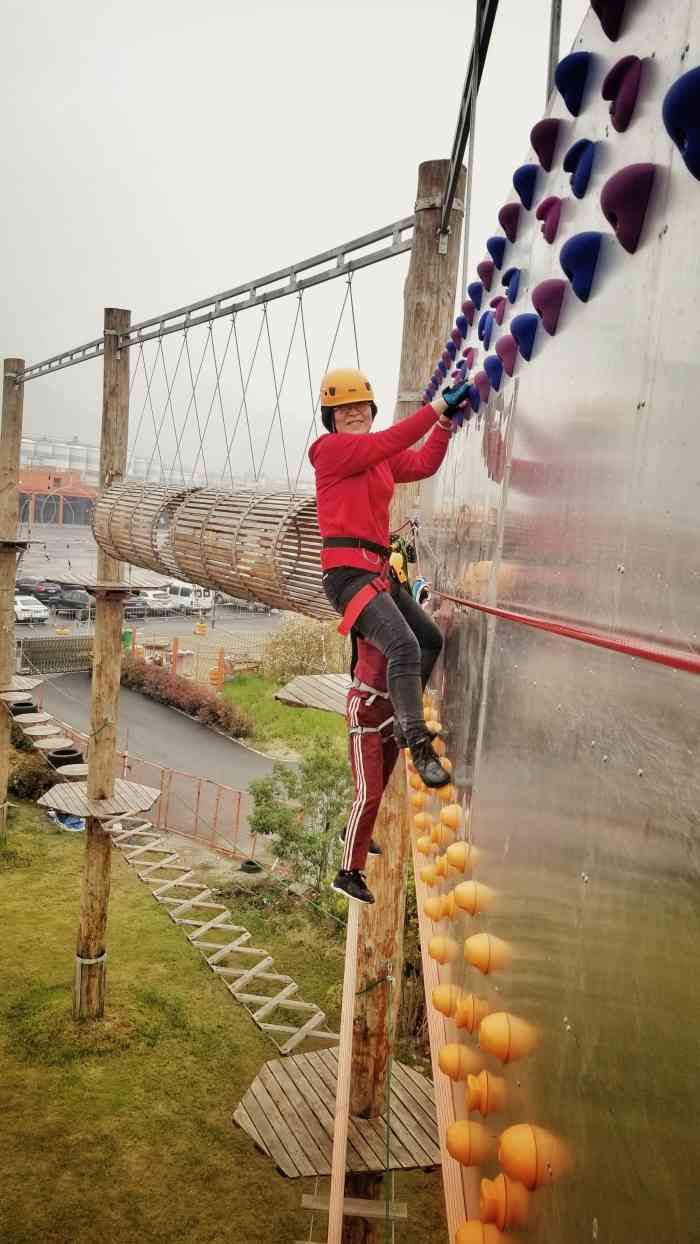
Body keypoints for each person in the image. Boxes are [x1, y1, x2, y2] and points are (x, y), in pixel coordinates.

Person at [309, 367, 469, 899]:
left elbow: (420, 461)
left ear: (371, 411)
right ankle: (416, 740)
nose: (353, 413)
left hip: (379, 571)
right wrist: (437, 409)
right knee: (400, 644)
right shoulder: (329, 452)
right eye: (344, 409)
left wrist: (447, 425)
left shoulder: (376, 461)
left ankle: (404, 725)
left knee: (427, 641)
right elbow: (399, 438)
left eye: (361, 407)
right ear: (331, 418)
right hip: (348, 575)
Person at [334, 635, 398, 904]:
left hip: (390, 706)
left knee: (379, 783)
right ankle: (347, 872)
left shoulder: (395, 604)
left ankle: (353, 831)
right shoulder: (372, 611)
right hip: (366, 709)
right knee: (368, 792)